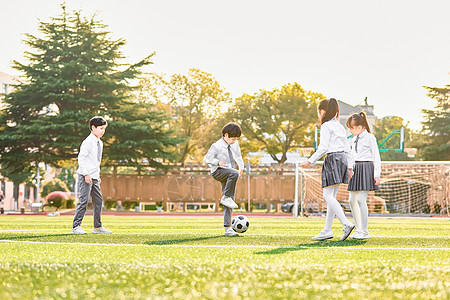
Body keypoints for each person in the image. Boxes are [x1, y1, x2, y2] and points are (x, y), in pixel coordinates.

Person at [300, 98, 355, 241]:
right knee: (331, 196)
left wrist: (309, 161)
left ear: (322, 111)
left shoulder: (326, 126)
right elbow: (347, 148)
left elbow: (323, 147)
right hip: (342, 158)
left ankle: (346, 223)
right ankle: (327, 230)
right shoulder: (339, 126)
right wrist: (349, 166)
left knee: (327, 196)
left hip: (332, 159)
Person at [71, 117, 112, 235]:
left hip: (94, 176)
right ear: (93, 128)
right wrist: (86, 174)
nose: (103, 131)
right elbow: (81, 158)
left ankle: (97, 227)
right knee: (83, 201)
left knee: (98, 200)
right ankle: (76, 227)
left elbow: (96, 161)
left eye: (104, 128)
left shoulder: (100, 142)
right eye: (101, 128)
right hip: (86, 176)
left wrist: (96, 175)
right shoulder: (88, 141)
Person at [204, 122, 244, 237]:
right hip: (218, 171)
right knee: (228, 196)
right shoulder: (216, 146)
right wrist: (217, 162)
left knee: (230, 200)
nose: (234, 141)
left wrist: (241, 168)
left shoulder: (235, 144)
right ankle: (225, 197)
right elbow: (206, 158)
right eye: (233, 139)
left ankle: (227, 229)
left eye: (236, 139)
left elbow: (238, 157)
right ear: (225, 135)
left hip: (230, 173)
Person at [346, 112, 381, 239]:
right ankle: (358, 228)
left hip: (366, 168)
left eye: (351, 128)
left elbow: (376, 156)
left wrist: (377, 174)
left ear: (360, 127)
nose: (350, 130)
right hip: (355, 169)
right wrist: (350, 168)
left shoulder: (370, 138)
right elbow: (352, 155)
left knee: (361, 200)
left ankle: (365, 231)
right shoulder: (354, 139)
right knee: (351, 200)